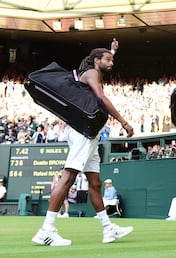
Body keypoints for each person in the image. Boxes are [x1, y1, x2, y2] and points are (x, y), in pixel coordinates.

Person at [32, 38, 134, 246]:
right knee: (69, 176)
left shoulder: (91, 70)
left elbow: (102, 61)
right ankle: (46, 230)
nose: (112, 63)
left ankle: (108, 229)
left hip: (89, 133)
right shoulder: (93, 74)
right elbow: (101, 99)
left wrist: (112, 51)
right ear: (96, 60)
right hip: (83, 133)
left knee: (95, 182)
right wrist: (123, 122)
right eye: (108, 60)